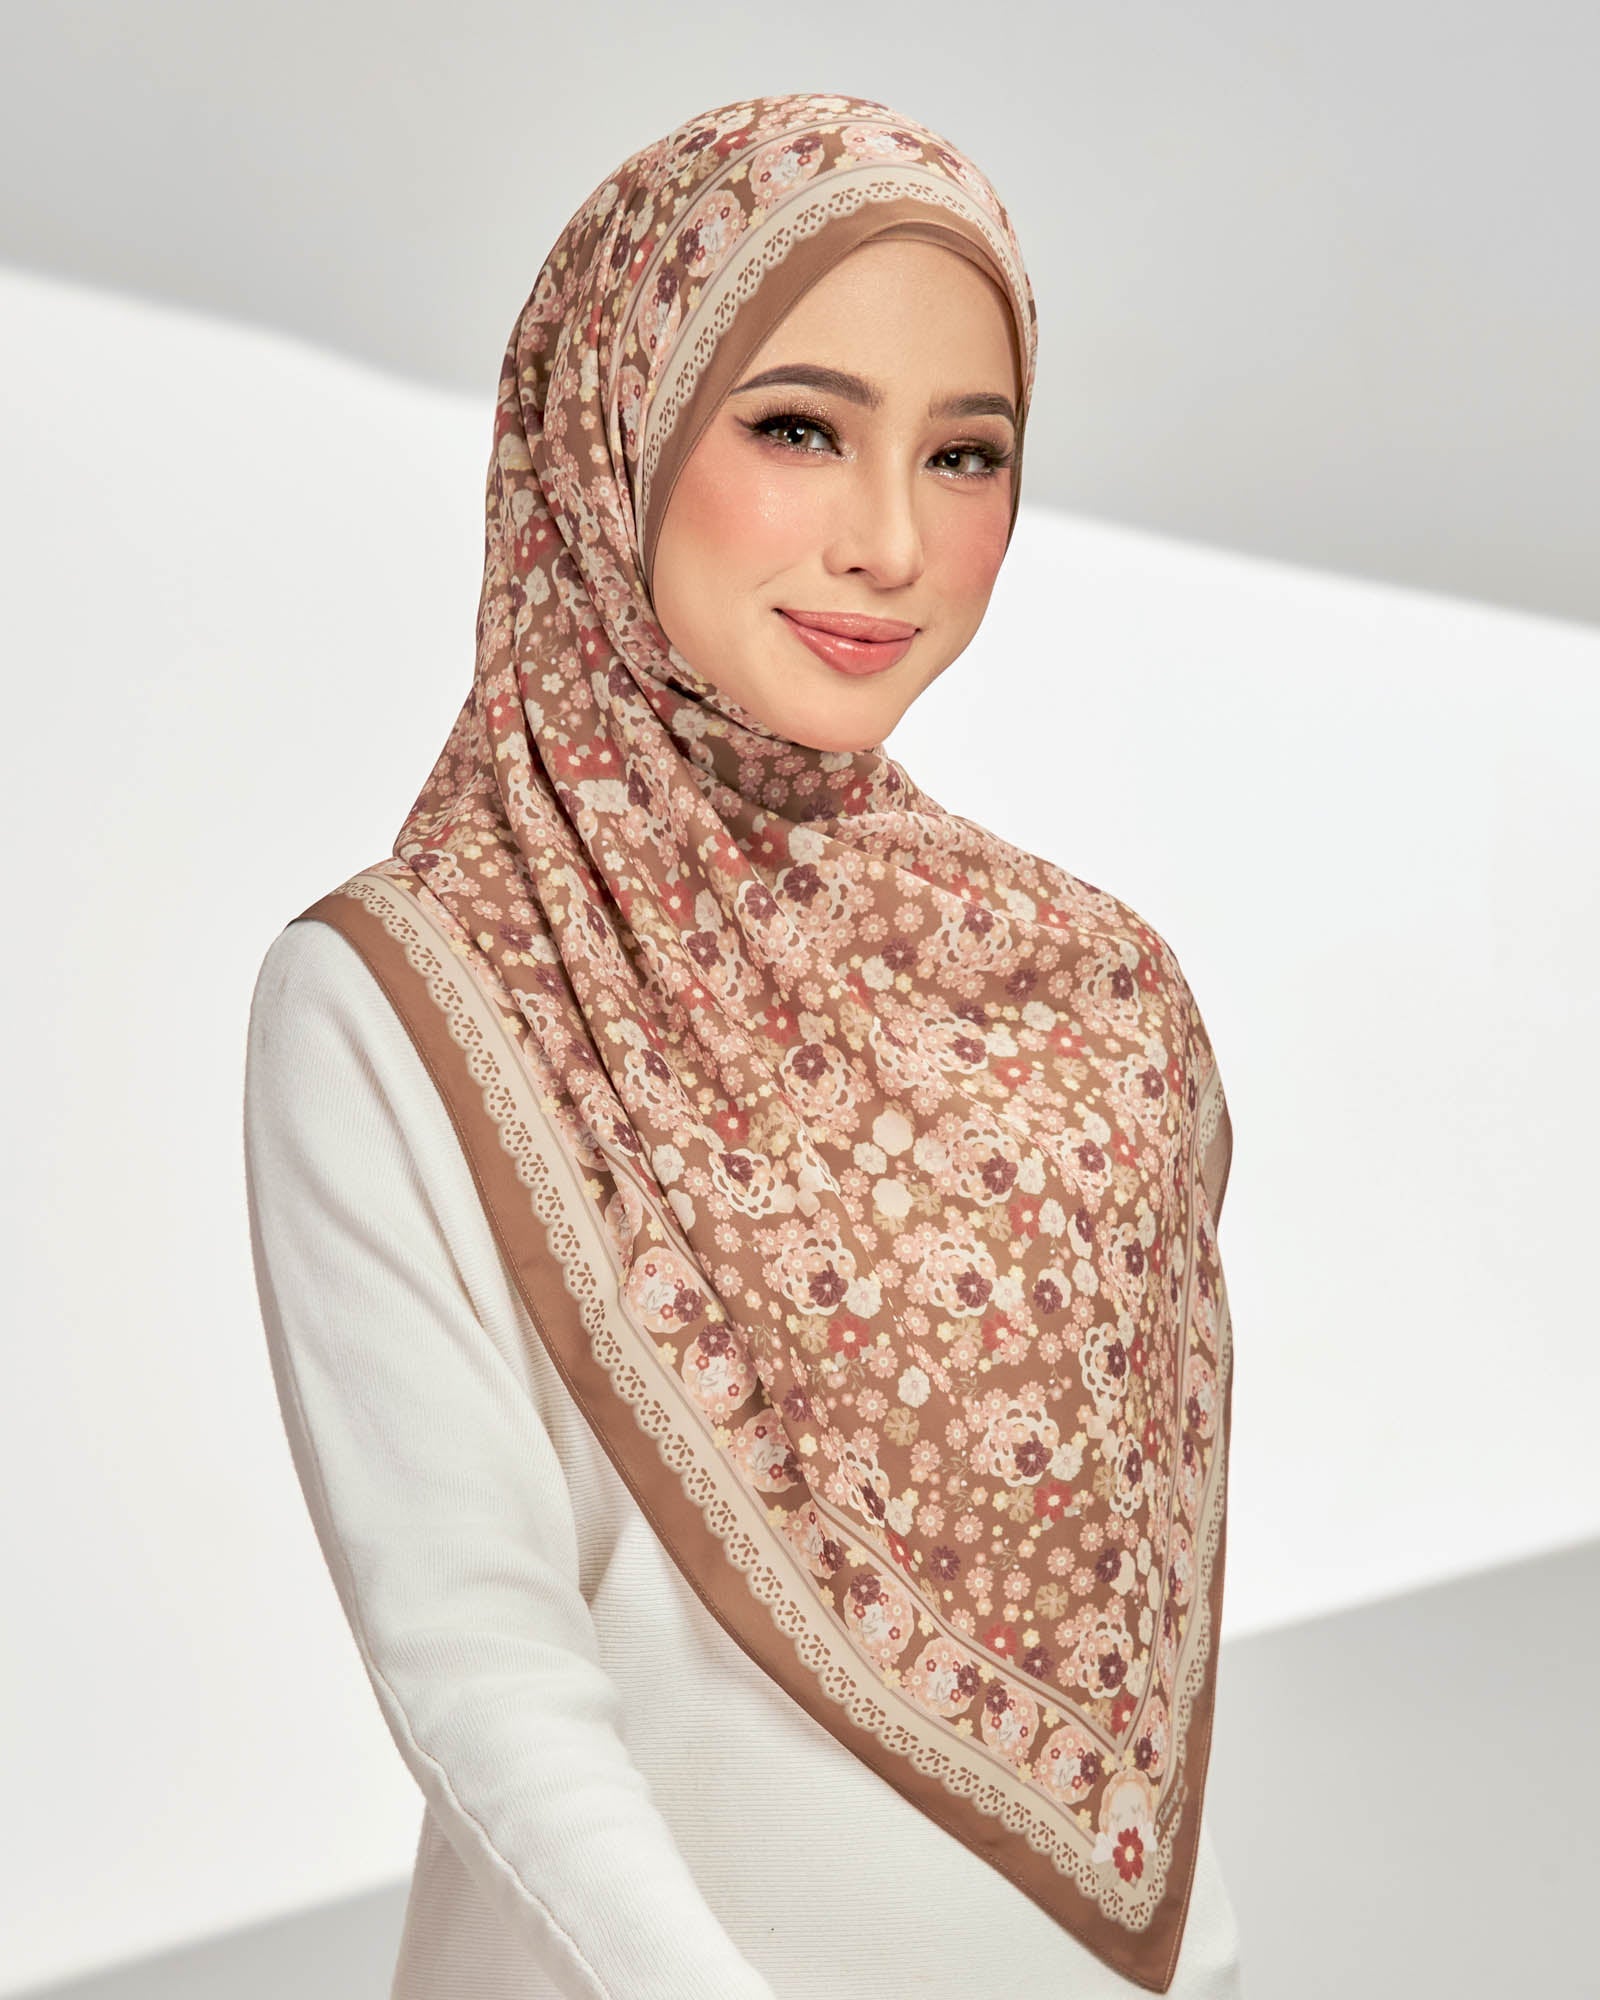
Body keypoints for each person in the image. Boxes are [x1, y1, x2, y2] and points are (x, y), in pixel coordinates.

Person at [244, 91, 1244, 1999]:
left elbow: (1161, 1677)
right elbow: (480, 1668)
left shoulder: (1098, 1001)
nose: (891, 542)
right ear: (614, 426)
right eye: (798, 428)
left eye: (966, 455)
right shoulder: (399, 997)